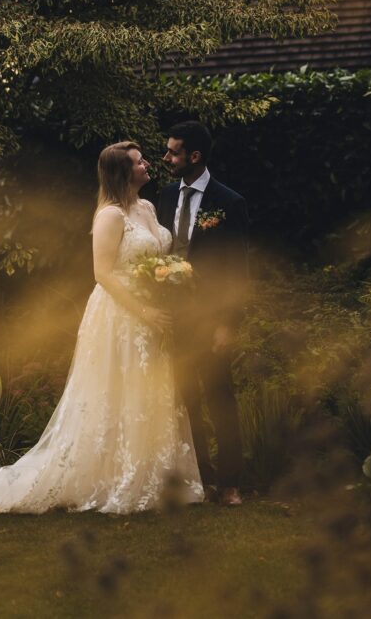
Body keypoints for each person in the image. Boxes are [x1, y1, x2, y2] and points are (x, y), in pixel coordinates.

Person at [0, 141, 203, 518]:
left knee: (149, 389)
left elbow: (158, 256)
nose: (147, 163)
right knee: (117, 391)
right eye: (138, 160)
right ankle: (114, 478)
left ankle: (158, 476)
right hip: (122, 314)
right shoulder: (109, 216)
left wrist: (169, 283)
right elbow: (103, 273)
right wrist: (145, 310)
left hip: (152, 313)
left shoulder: (145, 207)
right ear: (121, 172)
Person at [157, 121, 249, 507]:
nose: (166, 157)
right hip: (170, 318)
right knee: (185, 400)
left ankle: (230, 483)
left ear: (194, 156)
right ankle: (202, 477)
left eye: (173, 151)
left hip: (210, 319)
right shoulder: (161, 198)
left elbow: (238, 272)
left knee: (219, 399)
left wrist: (228, 324)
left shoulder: (229, 203)